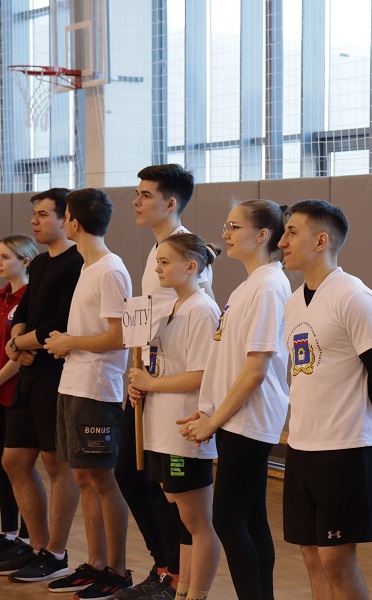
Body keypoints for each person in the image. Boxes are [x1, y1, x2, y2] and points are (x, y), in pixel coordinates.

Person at [278, 200, 372, 600]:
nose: (282, 242)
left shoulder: (354, 296)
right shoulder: (294, 301)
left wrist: (367, 425)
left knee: (335, 559)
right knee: (311, 555)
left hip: (345, 450)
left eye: (292, 232)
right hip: (302, 447)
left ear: (321, 241)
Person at [178, 200, 290, 600]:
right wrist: (209, 410)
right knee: (250, 519)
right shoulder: (249, 285)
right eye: (226, 225)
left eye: (234, 226)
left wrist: (214, 420)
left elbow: (256, 371)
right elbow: (228, 361)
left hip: (250, 418)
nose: (225, 233)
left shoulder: (269, 286)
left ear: (262, 235)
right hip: (233, 417)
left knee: (227, 519)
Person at [116, 163, 213, 600]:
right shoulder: (156, 255)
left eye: (145, 195)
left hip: (174, 400)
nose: (136, 202)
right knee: (138, 478)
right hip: (151, 387)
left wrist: (152, 380)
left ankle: (175, 574)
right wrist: (139, 375)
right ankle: (167, 567)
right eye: (136, 194)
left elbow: (199, 350)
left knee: (174, 497)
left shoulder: (189, 259)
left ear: (170, 203)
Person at [41, 188, 133, 599]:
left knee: (102, 478)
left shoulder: (111, 269)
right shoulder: (89, 267)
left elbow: (119, 337)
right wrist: (68, 344)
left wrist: (70, 342)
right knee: (82, 475)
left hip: (96, 389)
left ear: (74, 224)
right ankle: (96, 564)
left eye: (64, 217)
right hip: (73, 383)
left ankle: (117, 569)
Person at [127, 233, 222, 600]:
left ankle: (197, 593)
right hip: (161, 430)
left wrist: (151, 383)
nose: (158, 268)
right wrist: (140, 385)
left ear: (191, 266)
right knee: (183, 521)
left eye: (165, 262)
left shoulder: (202, 309)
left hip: (185, 431)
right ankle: (183, 591)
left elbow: (202, 375)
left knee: (198, 522)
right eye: (158, 261)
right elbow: (160, 367)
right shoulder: (174, 308)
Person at [1, 188, 82, 583]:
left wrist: (20, 345)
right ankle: (34, 544)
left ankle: (56, 552)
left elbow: (61, 322)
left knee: (56, 464)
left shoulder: (76, 262)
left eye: (43, 214)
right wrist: (17, 341)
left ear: (67, 220)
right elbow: (26, 313)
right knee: (14, 461)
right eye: (34, 214)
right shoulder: (43, 263)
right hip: (30, 375)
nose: (34, 221)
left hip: (56, 375)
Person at [0, 235, 38, 559]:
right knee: (4, 466)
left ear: (25, 261)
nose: (0, 263)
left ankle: (28, 538)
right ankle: (8, 532)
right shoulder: (3, 297)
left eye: (5, 257)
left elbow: (21, 353)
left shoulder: (29, 298)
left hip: (14, 392)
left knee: (21, 466)